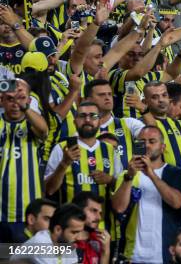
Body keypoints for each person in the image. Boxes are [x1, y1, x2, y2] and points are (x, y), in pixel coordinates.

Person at [111, 125, 181, 264]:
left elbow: (176, 203)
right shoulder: (126, 174)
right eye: (142, 142)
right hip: (132, 256)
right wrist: (129, 176)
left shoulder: (174, 172)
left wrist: (151, 175)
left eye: (152, 141)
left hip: (165, 255)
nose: (146, 145)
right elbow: (119, 208)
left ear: (163, 147)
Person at [44, 102, 121, 213]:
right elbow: (49, 190)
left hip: (102, 225)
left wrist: (110, 180)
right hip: (70, 224)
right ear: (74, 122)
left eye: (93, 116)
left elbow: (121, 187)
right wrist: (64, 164)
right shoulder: (61, 148)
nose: (88, 120)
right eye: (82, 116)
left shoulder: (110, 150)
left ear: (99, 121)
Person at [0, 79, 49, 242]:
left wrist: (25, 107)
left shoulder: (31, 126)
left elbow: (43, 130)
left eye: (20, 98)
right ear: (2, 101)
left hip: (27, 214)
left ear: (29, 100)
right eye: (10, 99)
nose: (15, 104)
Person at [11, 203, 85, 264]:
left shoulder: (68, 244)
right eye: (74, 232)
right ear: (58, 230)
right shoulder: (40, 243)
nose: (79, 237)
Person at [72, 192, 111, 264]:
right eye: (94, 211)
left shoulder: (100, 241)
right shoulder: (63, 239)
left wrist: (105, 251)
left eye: (100, 213)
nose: (99, 217)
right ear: (78, 211)